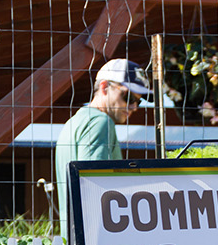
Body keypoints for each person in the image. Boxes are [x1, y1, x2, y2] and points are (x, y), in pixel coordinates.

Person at [55, 58, 151, 223]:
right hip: (95, 236)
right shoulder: (100, 123)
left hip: (76, 234)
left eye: (138, 101)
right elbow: (95, 187)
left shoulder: (74, 122)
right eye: (128, 97)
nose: (134, 107)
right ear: (105, 86)